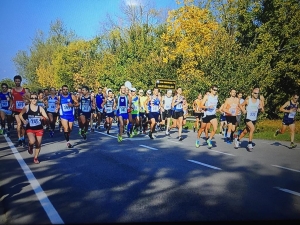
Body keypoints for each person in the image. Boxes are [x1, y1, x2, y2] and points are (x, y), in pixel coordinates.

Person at [19, 92, 49, 164]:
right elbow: (20, 115)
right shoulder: (27, 107)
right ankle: (30, 145)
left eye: (35, 98)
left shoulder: (40, 108)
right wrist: (23, 121)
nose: (34, 99)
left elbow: (47, 118)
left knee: (38, 144)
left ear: (37, 99)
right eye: (32, 98)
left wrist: (43, 118)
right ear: (30, 99)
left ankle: (35, 157)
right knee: (32, 141)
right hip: (30, 128)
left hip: (39, 128)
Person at [10, 75, 27, 147]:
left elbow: (26, 98)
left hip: (23, 109)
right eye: (16, 81)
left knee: (23, 125)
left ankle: (23, 138)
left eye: (18, 81)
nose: (17, 82)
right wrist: (11, 105)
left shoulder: (23, 90)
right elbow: (11, 99)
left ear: (20, 81)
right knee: (19, 123)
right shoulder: (12, 90)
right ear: (14, 81)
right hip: (16, 109)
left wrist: (26, 100)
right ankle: (19, 138)